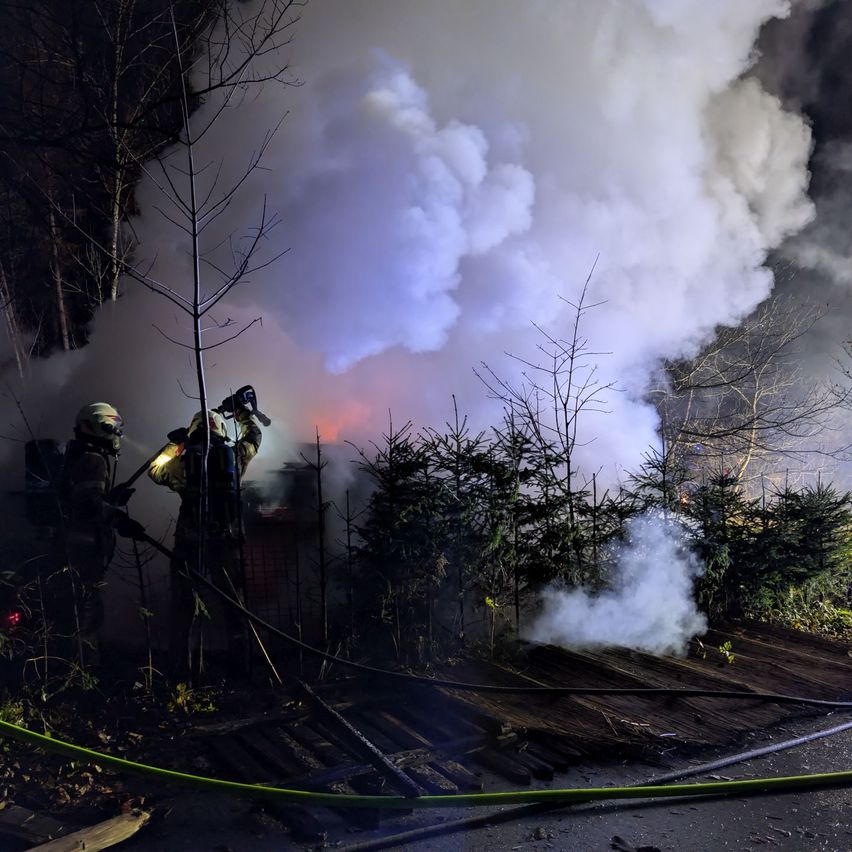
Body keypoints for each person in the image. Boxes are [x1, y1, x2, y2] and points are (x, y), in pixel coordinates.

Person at [147, 404, 261, 678]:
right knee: (234, 608)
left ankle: (182, 673)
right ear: (220, 430)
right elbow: (254, 438)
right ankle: (240, 671)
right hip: (227, 543)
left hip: (190, 544)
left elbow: (154, 470)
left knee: (184, 609)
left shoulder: (182, 461)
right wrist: (243, 416)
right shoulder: (235, 455)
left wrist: (174, 445)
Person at [50, 402, 143, 667]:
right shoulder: (94, 458)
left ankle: (69, 669)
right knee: (87, 612)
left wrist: (112, 499)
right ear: (100, 426)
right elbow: (89, 504)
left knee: (75, 610)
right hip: (84, 549)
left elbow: (81, 497)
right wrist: (120, 519)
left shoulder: (78, 455)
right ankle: (84, 674)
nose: (117, 435)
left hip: (71, 546)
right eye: (113, 428)